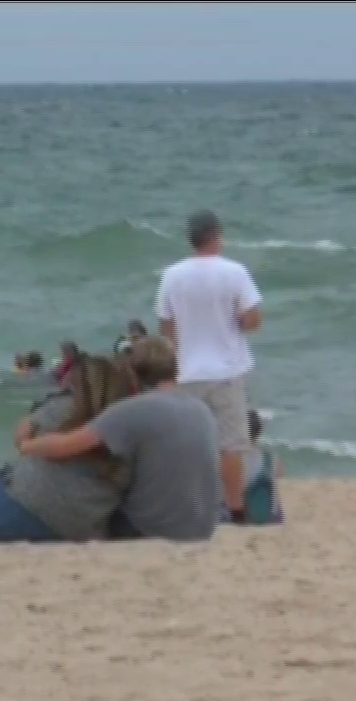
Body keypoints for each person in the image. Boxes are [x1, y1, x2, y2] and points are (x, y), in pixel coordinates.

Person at [0, 336, 219, 543]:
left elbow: (66, 446)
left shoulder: (131, 412)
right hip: (204, 526)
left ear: (133, 374)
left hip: (148, 532)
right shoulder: (201, 408)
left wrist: (28, 447)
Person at [153, 210, 262, 524]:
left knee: (187, 442)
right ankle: (236, 508)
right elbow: (253, 319)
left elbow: (166, 324)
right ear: (216, 236)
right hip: (226, 370)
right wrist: (236, 323)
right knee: (231, 444)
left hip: (186, 370)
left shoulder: (172, 275)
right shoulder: (235, 272)